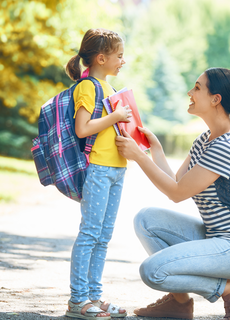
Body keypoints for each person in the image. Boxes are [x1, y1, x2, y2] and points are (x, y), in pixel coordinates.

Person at [115, 67, 230, 320]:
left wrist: (139, 157)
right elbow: (175, 181)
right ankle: (179, 304)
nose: (189, 92)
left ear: (216, 99)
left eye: (197, 88)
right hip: (215, 238)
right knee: (146, 219)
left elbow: (177, 193)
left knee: (153, 271)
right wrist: (155, 150)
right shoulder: (206, 139)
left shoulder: (227, 144)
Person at [64, 28, 132, 319]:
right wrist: (115, 117)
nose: (123, 61)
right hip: (99, 169)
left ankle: (93, 295)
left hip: (117, 168)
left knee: (103, 236)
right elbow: (83, 129)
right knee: (90, 233)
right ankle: (78, 300)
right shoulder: (88, 87)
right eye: (119, 56)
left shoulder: (112, 89)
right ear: (101, 58)